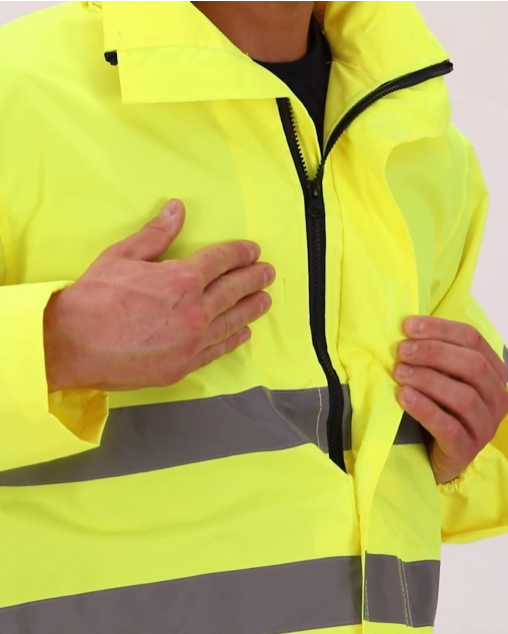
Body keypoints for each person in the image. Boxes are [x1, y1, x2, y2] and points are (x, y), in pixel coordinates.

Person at [0, 1, 507, 632]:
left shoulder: (422, 143)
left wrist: (469, 440)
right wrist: (51, 345)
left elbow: (437, 473)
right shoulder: (15, 94)